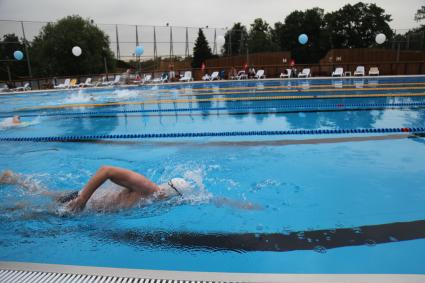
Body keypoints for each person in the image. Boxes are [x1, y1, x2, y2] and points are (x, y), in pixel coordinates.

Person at [0, 166, 261, 214]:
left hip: (85, 206)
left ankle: (15, 179)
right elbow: (106, 170)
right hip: (80, 204)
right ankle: (16, 180)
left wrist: (235, 204)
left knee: (41, 195)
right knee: (27, 210)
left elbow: (205, 199)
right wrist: (81, 200)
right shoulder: (148, 189)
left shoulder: (157, 198)